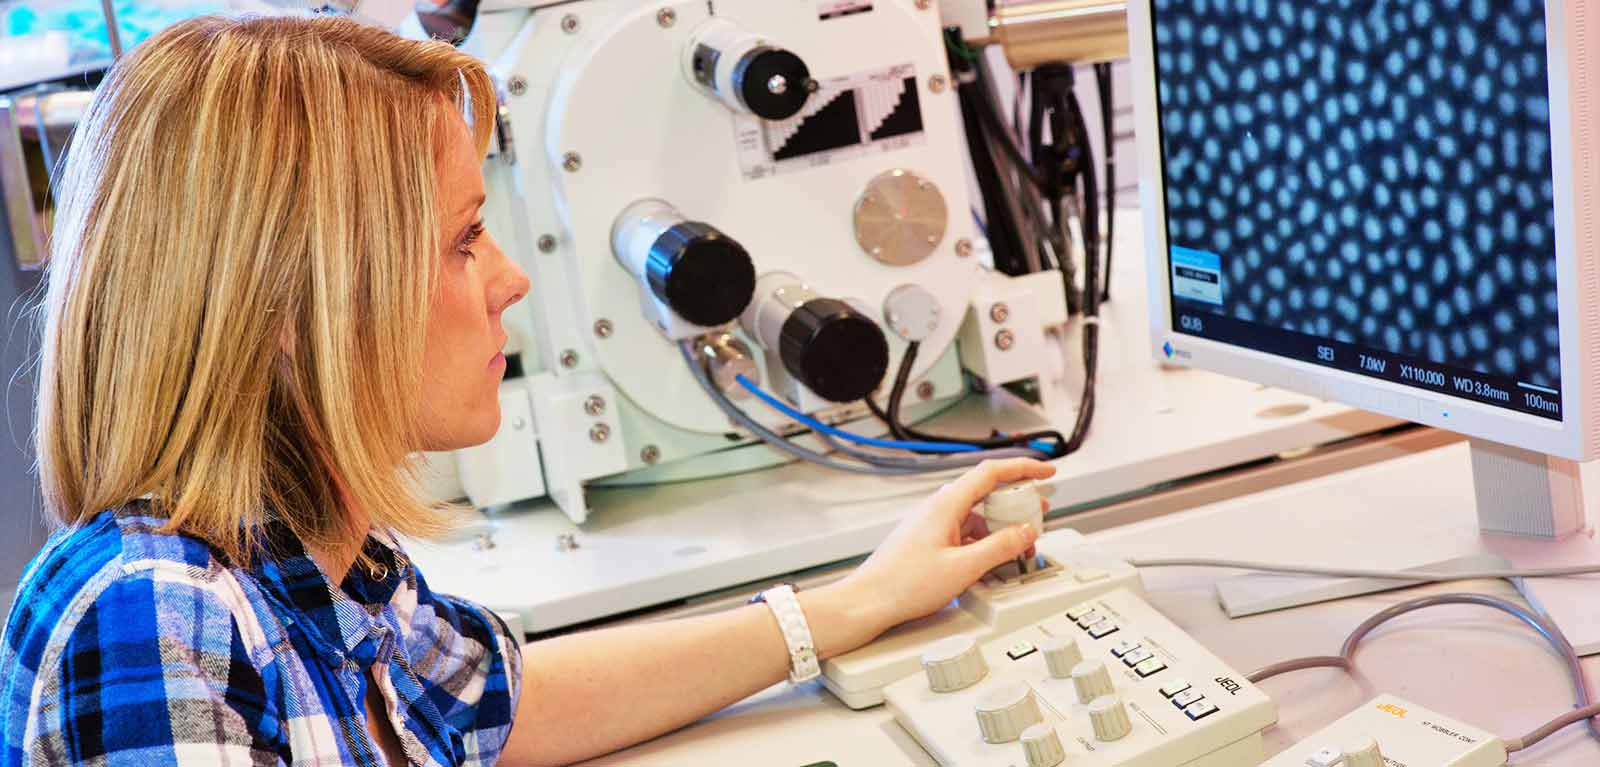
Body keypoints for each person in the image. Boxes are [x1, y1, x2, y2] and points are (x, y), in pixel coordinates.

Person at [0, 14, 1051, 767]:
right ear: (296, 307)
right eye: (464, 239)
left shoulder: (321, 562)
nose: (512, 278)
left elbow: (498, 702)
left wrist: (859, 600)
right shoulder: (158, 617)